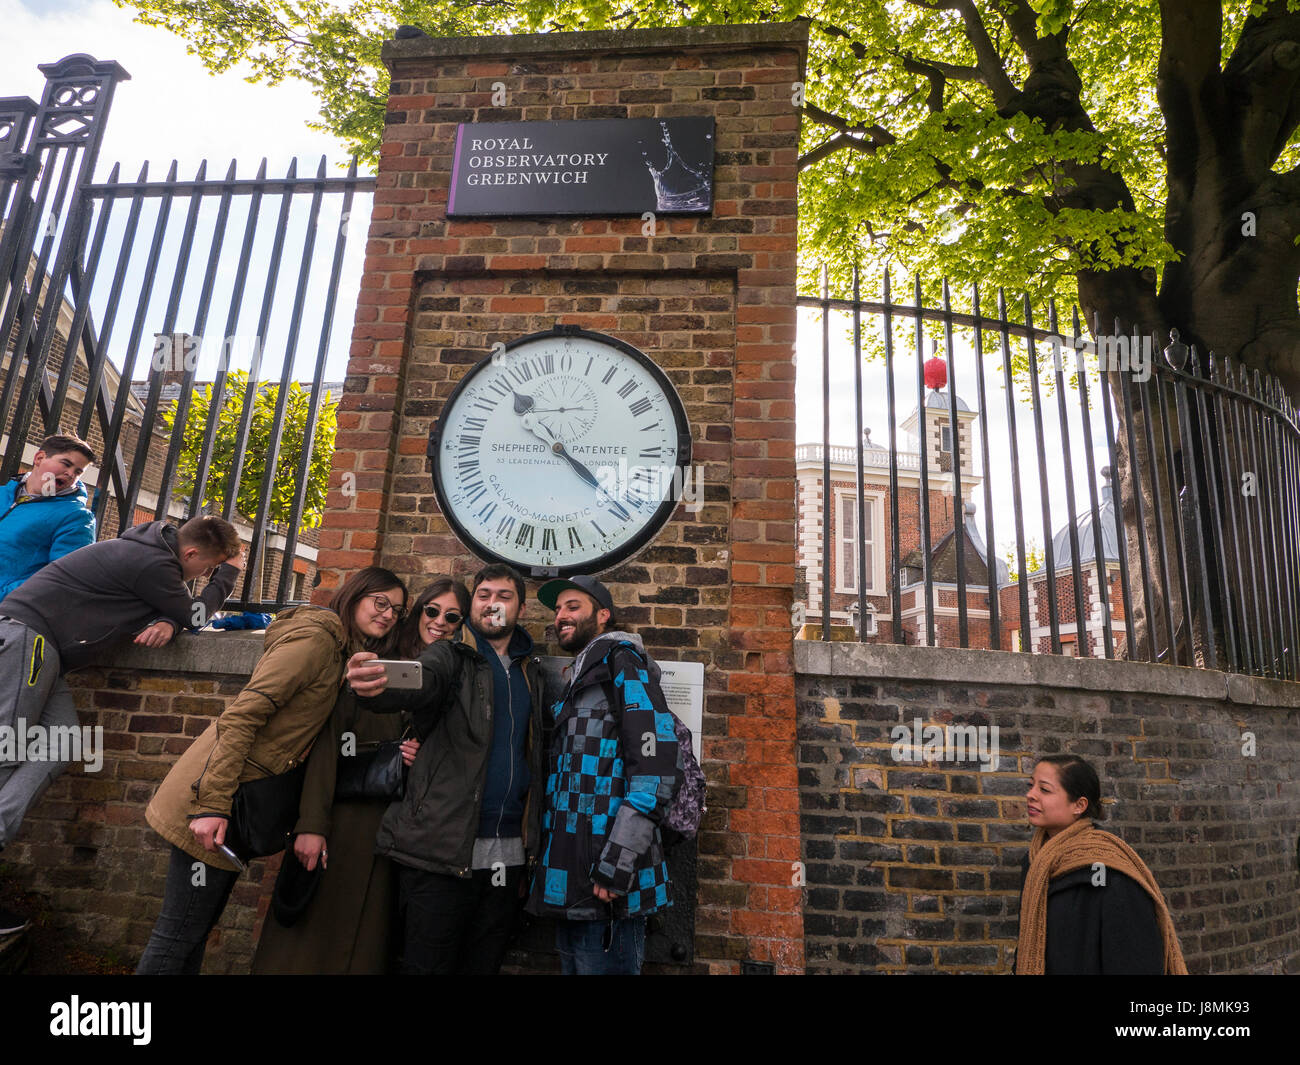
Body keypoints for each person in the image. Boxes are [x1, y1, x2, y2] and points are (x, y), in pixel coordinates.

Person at [136, 566, 407, 974]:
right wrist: (212, 807)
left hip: (232, 806)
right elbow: (243, 716)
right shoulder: (317, 641)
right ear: (354, 596)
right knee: (175, 939)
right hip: (212, 802)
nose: (387, 614)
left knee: (191, 937)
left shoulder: (341, 652)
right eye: (379, 602)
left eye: (397, 610)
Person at [0, 514, 241, 937]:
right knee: (8, 751)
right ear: (189, 554)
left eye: (211, 574)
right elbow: (199, 614)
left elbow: (176, 611)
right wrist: (230, 575)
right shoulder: (153, 564)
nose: (205, 577)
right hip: (28, 640)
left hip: (44, 650)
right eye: (206, 569)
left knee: (60, 744)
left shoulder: (151, 555)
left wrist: (169, 619)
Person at [251, 576, 469, 974]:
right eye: (431, 611)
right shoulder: (372, 659)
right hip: (345, 818)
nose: (439, 622)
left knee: (367, 944)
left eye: (452, 616)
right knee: (310, 940)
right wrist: (312, 824)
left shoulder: (460, 678)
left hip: (399, 834)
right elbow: (326, 745)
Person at [346, 563, 548, 975]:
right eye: (484, 595)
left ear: (521, 610)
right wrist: (376, 686)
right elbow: (423, 680)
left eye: (504, 597)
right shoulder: (451, 656)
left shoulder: (532, 672)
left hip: (506, 858)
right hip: (440, 854)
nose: (492, 604)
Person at [525, 575, 678, 975]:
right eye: (557, 609)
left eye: (572, 606)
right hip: (570, 880)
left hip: (610, 884)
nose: (561, 616)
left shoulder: (622, 660)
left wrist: (617, 864)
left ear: (603, 614)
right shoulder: (579, 675)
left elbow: (655, 767)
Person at [1015, 754, 1188, 975]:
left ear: (1079, 805)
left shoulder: (1111, 870)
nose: (1031, 795)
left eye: (1045, 790)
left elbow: (1136, 959)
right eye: (1031, 786)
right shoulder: (1035, 862)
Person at [0, 432, 97, 600]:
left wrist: (6, 596)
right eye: (66, 464)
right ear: (39, 458)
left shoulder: (76, 517)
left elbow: (64, 578)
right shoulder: (2, 494)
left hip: (10, 611)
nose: (70, 474)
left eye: (78, 472)